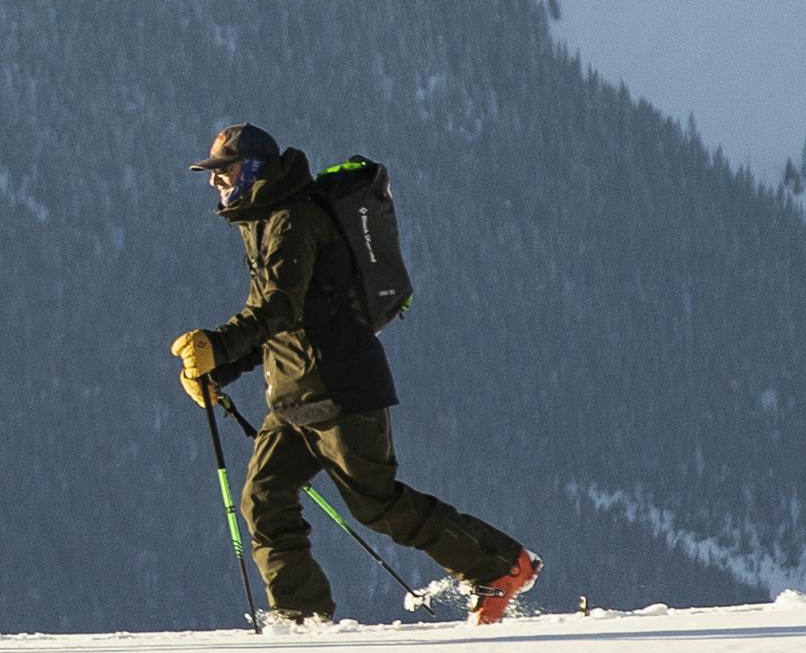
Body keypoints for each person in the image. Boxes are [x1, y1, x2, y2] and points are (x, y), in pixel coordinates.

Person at [171, 124, 538, 624]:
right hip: (296, 394)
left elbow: (278, 307)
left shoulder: (292, 219)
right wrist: (222, 369)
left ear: (254, 168)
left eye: (224, 171)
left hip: (340, 388)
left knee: (376, 503)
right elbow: (280, 321)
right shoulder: (263, 221)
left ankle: (500, 565)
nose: (216, 182)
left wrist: (216, 346)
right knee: (264, 499)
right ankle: (302, 618)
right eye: (213, 174)